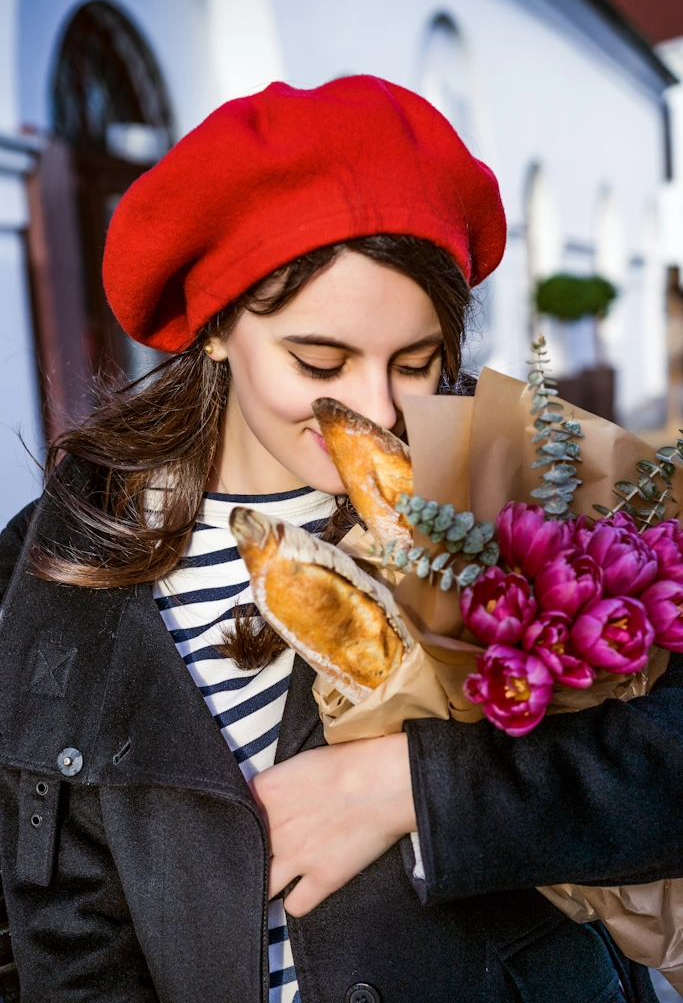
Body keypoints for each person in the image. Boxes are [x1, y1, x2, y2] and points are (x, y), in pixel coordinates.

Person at [0, 75, 681, 1003]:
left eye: (416, 362)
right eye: (318, 360)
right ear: (213, 332)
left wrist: (418, 787)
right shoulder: (58, 564)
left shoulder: (519, 477)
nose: (372, 407)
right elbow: (68, 928)